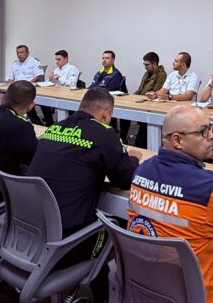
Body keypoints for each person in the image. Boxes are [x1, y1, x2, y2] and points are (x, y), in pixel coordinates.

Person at [127, 105, 213, 303]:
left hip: (147, 291)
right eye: (203, 132)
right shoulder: (209, 187)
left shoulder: (141, 171)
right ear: (177, 140)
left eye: (211, 128)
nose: (212, 137)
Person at [28, 88, 140, 234]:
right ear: (106, 113)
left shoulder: (55, 127)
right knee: (121, 228)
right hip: (68, 232)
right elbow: (125, 179)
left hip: (31, 221)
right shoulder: (104, 134)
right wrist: (134, 159)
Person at [120, 52, 166, 147]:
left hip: (151, 105)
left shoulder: (161, 75)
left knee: (141, 139)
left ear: (154, 64)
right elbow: (140, 89)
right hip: (141, 101)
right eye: (144, 64)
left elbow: (155, 93)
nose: (145, 67)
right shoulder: (147, 73)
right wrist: (131, 96)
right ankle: (122, 138)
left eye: (147, 65)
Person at [40, 49, 80, 126]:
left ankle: (64, 125)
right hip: (56, 93)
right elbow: (50, 83)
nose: (57, 61)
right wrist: (50, 79)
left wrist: (58, 78)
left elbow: (71, 83)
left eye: (59, 59)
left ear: (66, 58)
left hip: (68, 94)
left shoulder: (72, 68)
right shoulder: (56, 70)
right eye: (56, 59)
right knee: (43, 102)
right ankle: (49, 123)